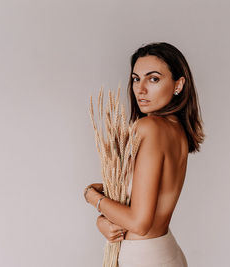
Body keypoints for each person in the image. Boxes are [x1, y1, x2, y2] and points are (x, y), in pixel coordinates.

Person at [84, 42, 205, 266]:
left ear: (178, 85)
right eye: (136, 79)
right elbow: (138, 197)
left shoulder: (149, 128)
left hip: (142, 258)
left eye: (154, 79)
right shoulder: (176, 130)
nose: (140, 89)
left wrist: (92, 198)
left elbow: (139, 223)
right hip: (166, 252)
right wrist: (104, 220)